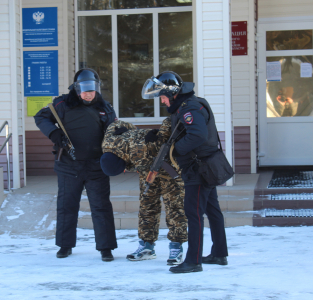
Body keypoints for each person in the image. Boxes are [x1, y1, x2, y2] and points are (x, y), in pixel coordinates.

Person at [141, 71, 228, 273]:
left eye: (162, 97)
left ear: (172, 93)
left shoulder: (189, 108)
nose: (162, 101)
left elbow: (197, 135)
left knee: (193, 213)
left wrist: (175, 150)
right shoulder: (191, 103)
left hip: (198, 169)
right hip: (206, 166)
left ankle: (193, 260)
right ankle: (219, 253)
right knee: (213, 211)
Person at [34, 68, 118, 262]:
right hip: (68, 165)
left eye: (92, 90)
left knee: (101, 207)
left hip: (97, 165)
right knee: (66, 206)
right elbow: (41, 117)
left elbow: (114, 132)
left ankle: (106, 248)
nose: (88, 94)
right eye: (84, 90)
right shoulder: (62, 104)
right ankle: (65, 245)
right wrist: (54, 134)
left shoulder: (105, 107)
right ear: (77, 88)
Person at [100, 119, 188, 265]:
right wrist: (132, 130)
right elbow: (116, 124)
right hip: (148, 169)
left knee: (175, 208)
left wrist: (137, 136)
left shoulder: (136, 155)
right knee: (147, 207)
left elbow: (141, 158)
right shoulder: (107, 141)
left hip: (169, 169)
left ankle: (176, 247)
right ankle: (146, 247)